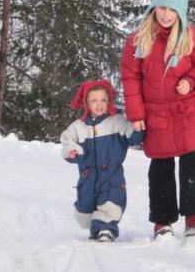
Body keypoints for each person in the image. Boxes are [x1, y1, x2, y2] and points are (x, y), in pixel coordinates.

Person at [121, 0, 195, 239]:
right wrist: (136, 114)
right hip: (157, 114)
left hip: (188, 113)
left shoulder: (190, 37)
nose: (165, 14)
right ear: (154, 7)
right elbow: (130, 77)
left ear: (180, 13)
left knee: (193, 165)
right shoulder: (139, 40)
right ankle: (162, 221)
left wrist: (192, 80)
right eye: (161, 7)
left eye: (171, 10)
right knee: (161, 168)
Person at [60, 79, 145, 242]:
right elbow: (67, 141)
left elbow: (132, 137)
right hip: (88, 176)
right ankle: (95, 226)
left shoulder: (117, 122)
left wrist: (137, 128)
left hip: (112, 175)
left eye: (103, 100)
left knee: (111, 203)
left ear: (109, 102)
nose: (99, 104)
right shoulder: (79, 126)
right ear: (86, 103)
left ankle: (106, 228)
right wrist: (73, 151)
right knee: (85, 211)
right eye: (94, 100)